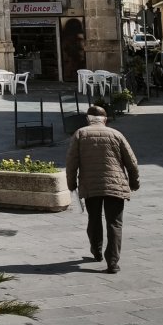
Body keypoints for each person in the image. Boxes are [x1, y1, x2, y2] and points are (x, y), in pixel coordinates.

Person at [65, 104, 139, 274]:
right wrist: (134, 182)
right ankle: (112, 262)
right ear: (105, 119)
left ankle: (96, 251)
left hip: (91, 185)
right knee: (114, 223)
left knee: (94, 218)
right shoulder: (116, 134)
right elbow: (132, 162)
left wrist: (71, 184)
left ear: (87, 120)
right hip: (115, 184)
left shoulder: (80, 134)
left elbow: (71, 163)